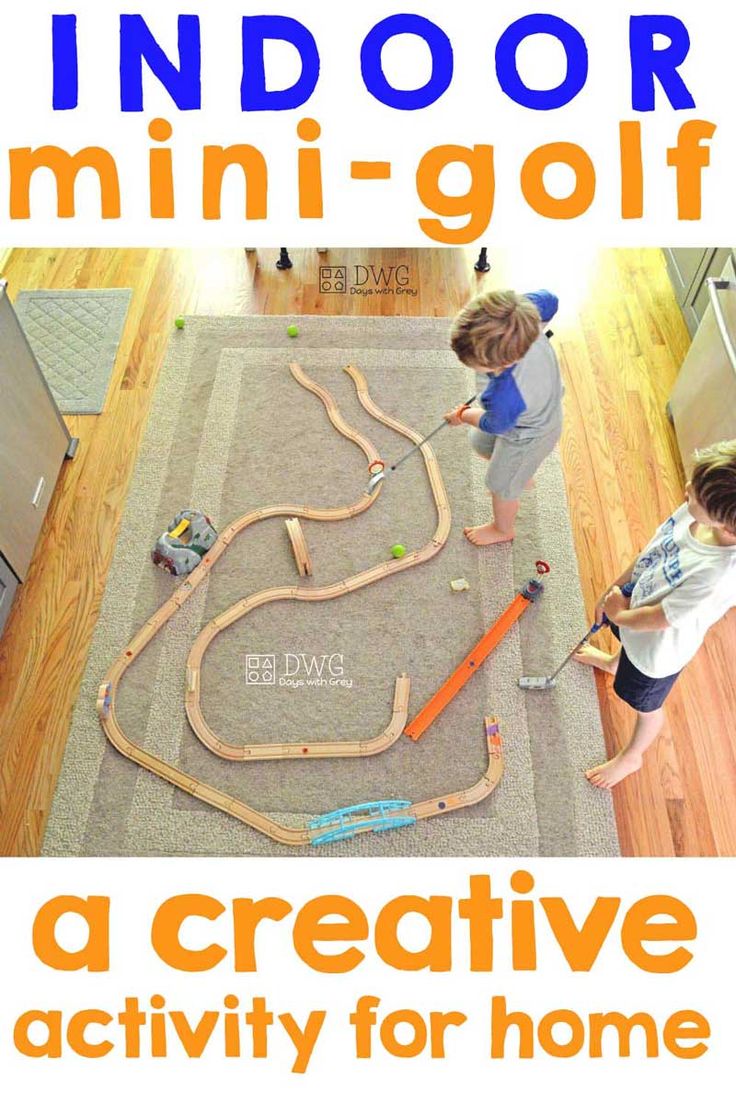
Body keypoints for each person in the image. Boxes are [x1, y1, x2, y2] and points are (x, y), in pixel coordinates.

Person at [575, 439, 736, 788]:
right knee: (625, 648)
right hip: (634, 608)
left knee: (644, 705)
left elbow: (661, 619)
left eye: (697, 495)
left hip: (656, 651)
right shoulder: (691, 512)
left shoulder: (717, 575)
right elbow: (651, 553)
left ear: (728, 526)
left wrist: (619, 614)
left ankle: (633, 756)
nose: (687, 489)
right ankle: (614, 662)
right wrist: (614, 591)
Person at [445, 288, 562, 546]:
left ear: (503, 364)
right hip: (537, 405)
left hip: (529, 433)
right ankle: (519, 473)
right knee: (480, 443)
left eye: (475, 365)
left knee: (500, 485)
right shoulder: (525, 310)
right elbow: (550, 300)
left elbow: (494, 424)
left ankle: (502, 529)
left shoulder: (503, 394)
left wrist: (463, 414)